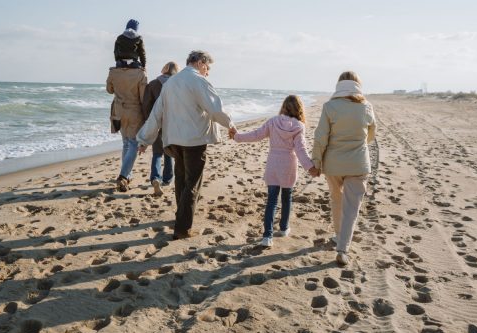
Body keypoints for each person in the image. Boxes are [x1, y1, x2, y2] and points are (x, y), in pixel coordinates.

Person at [137, 50, 235, 240]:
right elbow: (215, 109)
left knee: (181, 180)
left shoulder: (170, 82)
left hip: (173, 140)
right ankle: (182, 228)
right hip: (193, 140)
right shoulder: (198, 80)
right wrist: (230, 124)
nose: (208, 72)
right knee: (192, 183)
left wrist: (144, 139)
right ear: (200, 63)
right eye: (207, 67)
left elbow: (156, 114)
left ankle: (180, 218)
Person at [228, 96, 318, 248]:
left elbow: (256, 135)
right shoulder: (299, 126)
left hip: (273, 164)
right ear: (299, 109)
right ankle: (283, 228)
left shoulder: (273, 122)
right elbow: (301, 150)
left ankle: (267, 236)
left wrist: (237, 137)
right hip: (289, 164)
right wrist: (311, 168)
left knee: (271, 201)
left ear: (284, 107)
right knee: (287, 197)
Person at [312, 71, 376, 266]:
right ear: (358, 85)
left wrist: (316, 163)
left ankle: (339, 235)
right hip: (358, 163)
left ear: (339, 85)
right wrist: (359, 143)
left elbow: (320, 137)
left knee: (336, 199)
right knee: (351, 208)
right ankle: (342, 248)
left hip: (333, 164)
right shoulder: (366, 107)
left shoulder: (330, 106)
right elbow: (371, 134)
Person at [106, 63, 147, 192]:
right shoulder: (140, 73)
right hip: (134, 111)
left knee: (125, 143)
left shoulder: (113, 72)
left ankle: (127, 175)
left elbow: (109, 90)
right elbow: (143, 96)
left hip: (119, 111)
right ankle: (123, 176)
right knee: (133, 143)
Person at [142, 61, 179, 196]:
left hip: (156, 122)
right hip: (172, 123)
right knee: (169, 151)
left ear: (164, 69)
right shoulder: (177, 85)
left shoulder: (152, 84)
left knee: (157, 153)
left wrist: (148, 121)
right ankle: (167, 179)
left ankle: (155, 178)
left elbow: (146, 105)